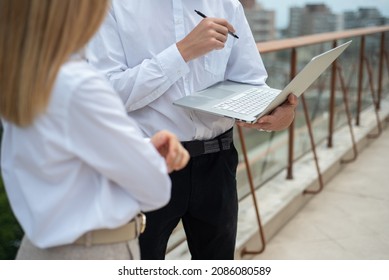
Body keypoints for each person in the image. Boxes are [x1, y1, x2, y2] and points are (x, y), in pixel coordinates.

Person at [87, 0, 297, 260]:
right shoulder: (113, 6)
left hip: (217, 162)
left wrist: (278, 109)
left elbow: (250, 81)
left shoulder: (227, 5)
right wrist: (182, 52)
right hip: (145, 162)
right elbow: (105, 94)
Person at [0, 0, 189, 260]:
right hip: (94, 252)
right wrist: (145, 159)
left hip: (40, 251)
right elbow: (155, 190)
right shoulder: (79, 85)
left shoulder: (22, 79)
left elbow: (62, 161)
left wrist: (142, 149)